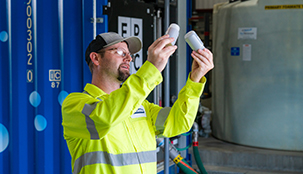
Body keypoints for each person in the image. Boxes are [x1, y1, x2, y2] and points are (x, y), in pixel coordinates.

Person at [62, 32, 214, 174]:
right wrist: (152, 69)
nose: (128, 59)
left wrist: (194, 80)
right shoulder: (74, 105)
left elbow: (179, 123)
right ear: (96, 58)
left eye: (129, 55)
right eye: (121, 53)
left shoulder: (140, 107)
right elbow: (105, 118)